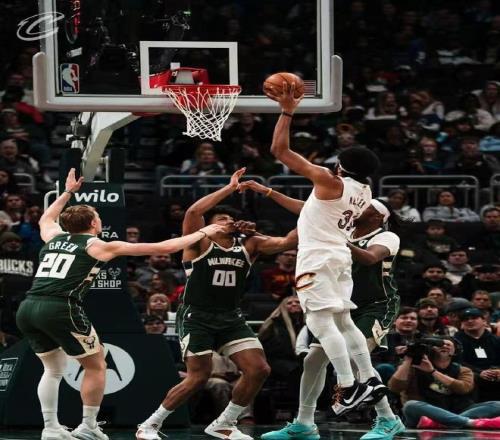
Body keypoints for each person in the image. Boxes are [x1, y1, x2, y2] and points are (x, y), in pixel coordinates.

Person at [15, 169, 225, 440]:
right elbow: (165, 247)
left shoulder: (53, 236)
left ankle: (51, 428)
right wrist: (204, 231)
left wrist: (67, 192)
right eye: (98, 217)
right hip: (60, 307)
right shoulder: (98, 245)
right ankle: (88, 426)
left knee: (52, 369)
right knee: (96, 365)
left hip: (28, 307)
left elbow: (46, 217)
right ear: (93, 223)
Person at [137, 168, 298, 440]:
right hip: (197, 316)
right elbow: (193, 212)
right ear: (209, 226)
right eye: (222, 219)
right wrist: (230, 188)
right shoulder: (198, 242)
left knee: (259, 369)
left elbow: (289, 240)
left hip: (230, 317)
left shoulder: (250, 244)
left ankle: (225, 422)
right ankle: (150, 425)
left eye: (231, 219)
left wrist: (317, 211)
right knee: (198, 377)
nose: (229, 222)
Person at [242, 178, 405, 439]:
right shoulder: (343, 231)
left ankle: (388, 419)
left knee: (354, 357)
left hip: (376, 305)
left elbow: (369, 257)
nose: (357, 208)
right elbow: (309, 208)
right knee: (313, 360)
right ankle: (304, 423)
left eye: (366, 207)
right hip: (340, 302)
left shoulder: (387, 236)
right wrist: (268, 192)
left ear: (377, 216)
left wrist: (333, 239)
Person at [263, 82, 384, 417]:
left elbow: (279, 151)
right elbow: (312, 210)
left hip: (317, 258)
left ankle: (348, 385)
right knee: (343, 321)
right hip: (340, 257)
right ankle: (369, 378)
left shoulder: (331, 181)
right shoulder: (365, 192)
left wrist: (287, 111)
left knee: (319, 322)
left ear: (340, 165)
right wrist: (270, 193)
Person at [388, 336, 500, 430]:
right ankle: (464, 422)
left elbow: (463, 388)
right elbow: (394, 387)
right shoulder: (414, 367)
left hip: (459, 410)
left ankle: (446, 423)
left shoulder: (464, 370)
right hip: (427, 413)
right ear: (430, 349)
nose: (444, 346)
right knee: (410, 405)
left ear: (455, 351)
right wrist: (408, 360)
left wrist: (433, 372)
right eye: (440, 344)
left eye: (448, 344)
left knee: (497, 405)